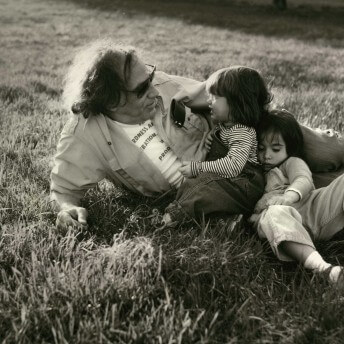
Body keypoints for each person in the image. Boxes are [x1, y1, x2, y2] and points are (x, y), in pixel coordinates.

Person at [51, 38, 344, 231]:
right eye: (142, 89)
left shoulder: (165, 86)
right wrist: (67, 208)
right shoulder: (84, 135)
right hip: (223, 178)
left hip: (243, 135)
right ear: (112, 100)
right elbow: (64, 189)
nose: (155, 91)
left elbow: (218, 95)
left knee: (326, 151)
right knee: (319, 191)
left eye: (151, 78)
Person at [162, 66, 270, 226]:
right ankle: (226, 222)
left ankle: (176, 215)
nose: (209, 101)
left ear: (236, 102)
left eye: (215, 97)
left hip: (244, 183)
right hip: (233, 183)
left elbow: (233, 166)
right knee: (203, 188)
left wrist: (198, 167)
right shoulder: (226, 127)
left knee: (204, 185)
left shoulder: (242, 132)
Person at [249, 109, 344, 284]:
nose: (267, 155)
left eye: (275, 149)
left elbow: (303, 179)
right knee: (271, 215)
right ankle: (324, 269)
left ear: (290, 148)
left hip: (313, 208)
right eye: (261, 148)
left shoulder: (291, 162)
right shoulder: (258, 170)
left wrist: (289, 196)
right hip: (286, 222)